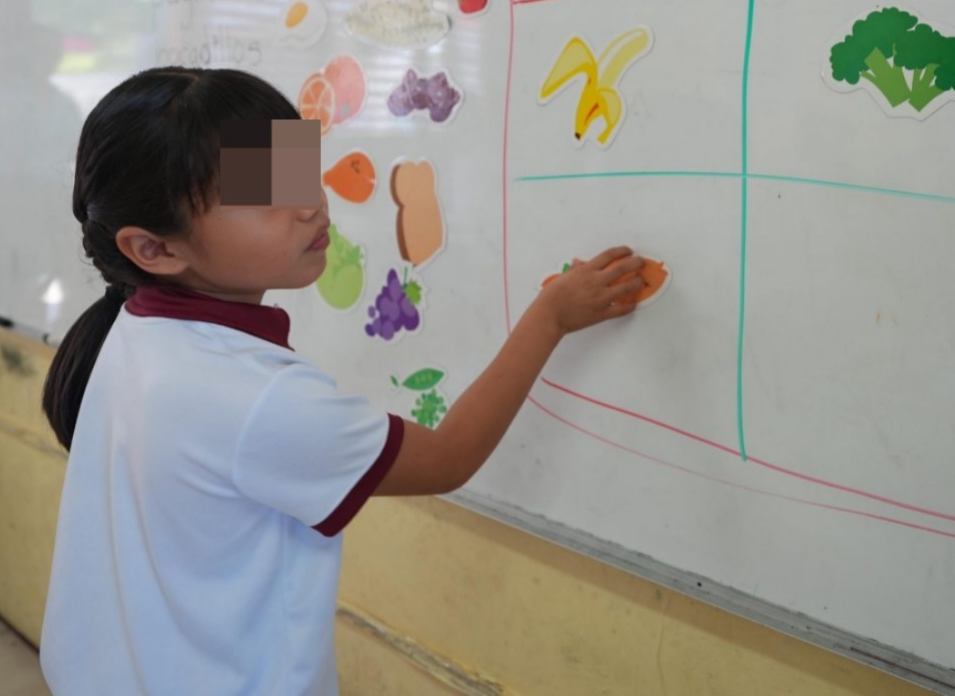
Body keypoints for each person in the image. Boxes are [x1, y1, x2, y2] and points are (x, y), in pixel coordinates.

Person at [39, 66, 644, 695]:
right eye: (264, 193)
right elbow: (448, 458)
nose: (311, 204)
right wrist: (550, 318)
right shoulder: (258, 398)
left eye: (298, 171)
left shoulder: (137, 327)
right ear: (155, 250)